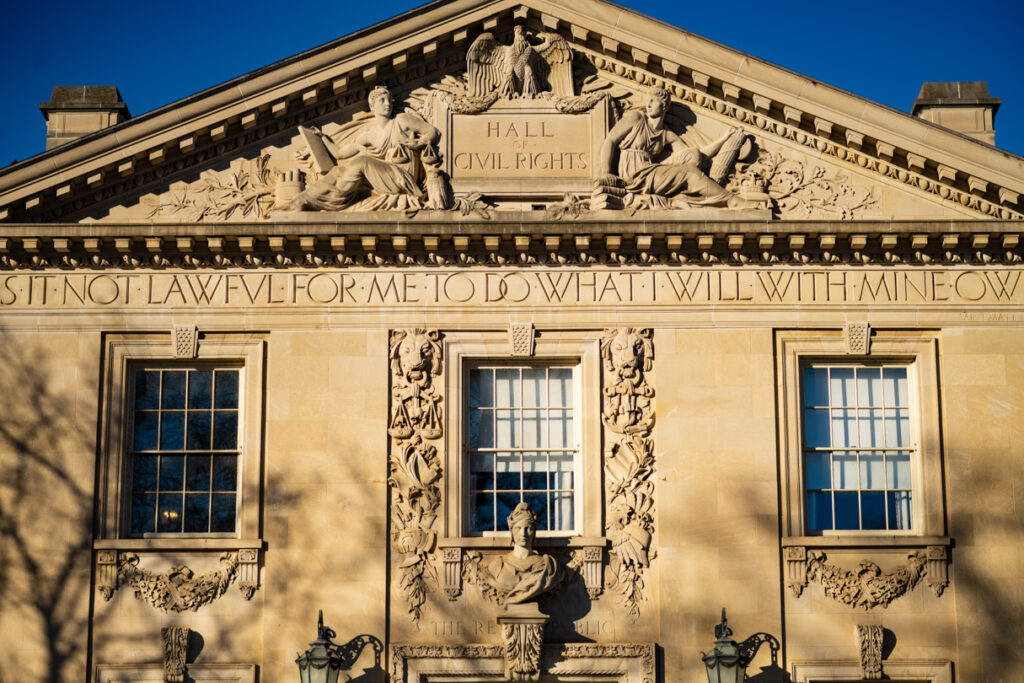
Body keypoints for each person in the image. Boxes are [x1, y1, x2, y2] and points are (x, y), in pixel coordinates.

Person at [288, 86, 447, 211]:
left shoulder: (402, 120)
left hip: (403, 177)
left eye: (389, 100)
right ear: (372, 105)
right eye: (382, 100)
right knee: (337, 171)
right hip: (384, 178)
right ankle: (304, 200)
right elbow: (340, 153)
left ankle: (329, 199)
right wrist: (322, 137)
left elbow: (432, 131)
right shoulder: (369, 135)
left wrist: (419, 143)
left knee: (362, 162)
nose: (387, 104)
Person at [597, 87, 746, 208]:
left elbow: (699, 156)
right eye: (647, 101)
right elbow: (610, 140)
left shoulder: (666, 134)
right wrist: (605, 172)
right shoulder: (636, 118)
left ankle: (692, 197)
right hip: (634, 175)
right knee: (689, 173)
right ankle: (730, 199)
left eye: (652, 101)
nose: (648, 105)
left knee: (692, 156)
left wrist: (723, 139)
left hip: (650, 171)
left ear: (665, 106)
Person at [482, 503, 563, 604]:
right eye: (518, 528)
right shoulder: (497, 566)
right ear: (511, 531)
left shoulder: (548, 566)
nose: (523, 534)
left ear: (534, 532)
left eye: (528, 528)